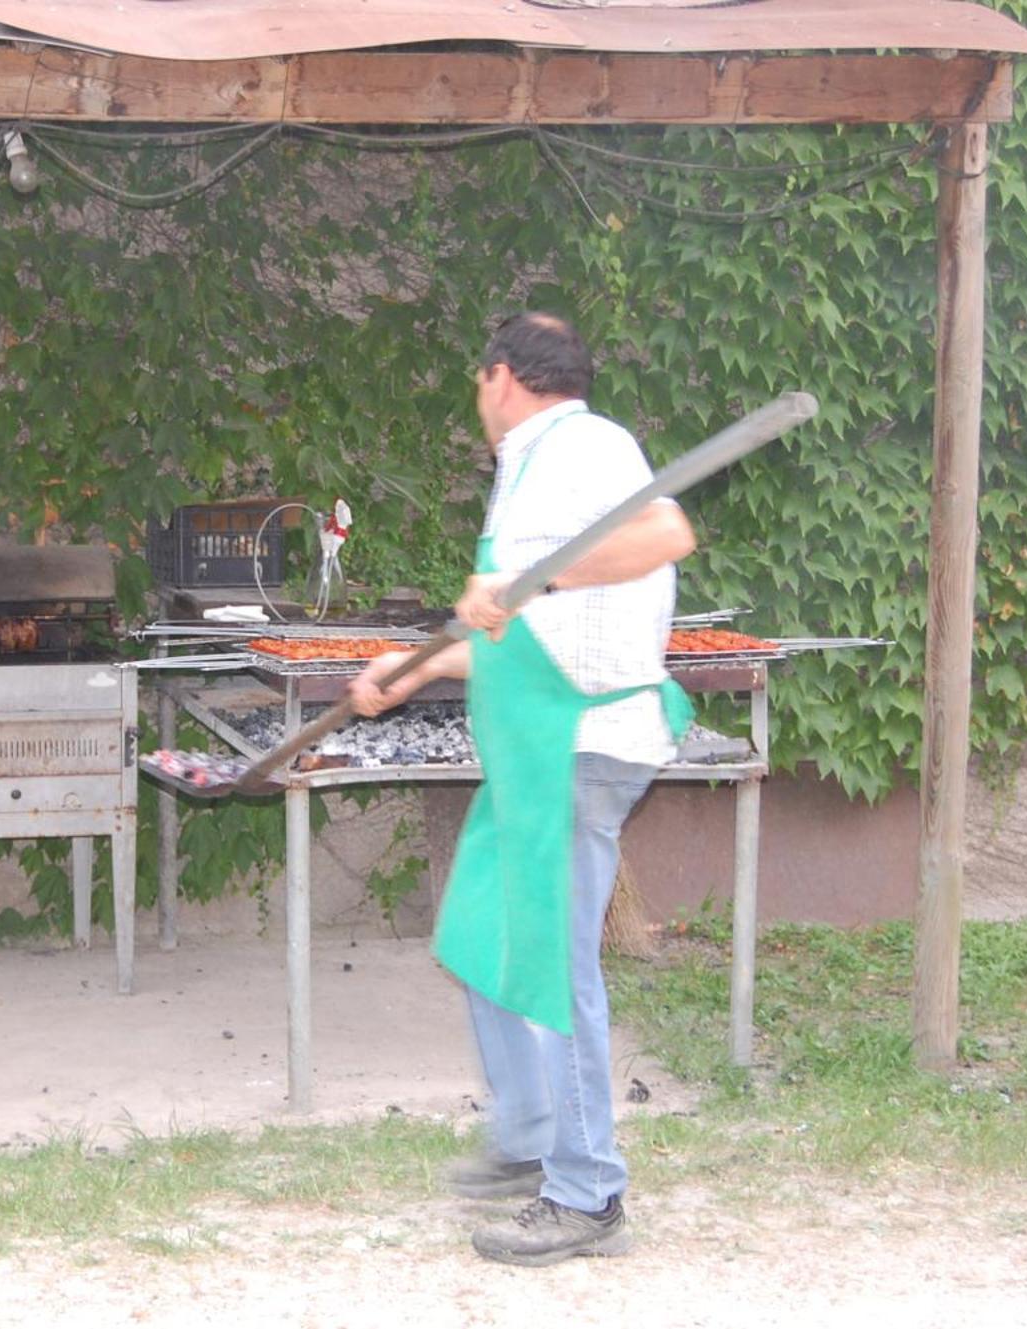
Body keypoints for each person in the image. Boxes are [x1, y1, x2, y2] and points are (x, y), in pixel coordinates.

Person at [350, 312, 694, 1266]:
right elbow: (526, 634)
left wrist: (531, 584)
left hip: (581, 742)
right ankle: (530, 1132)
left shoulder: (586, 444)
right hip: (540, 742)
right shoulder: (530, 466)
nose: (477, 398)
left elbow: (665, 530)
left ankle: (587, 1193)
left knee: (552, 966)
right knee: (482, 930)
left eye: (478, 381)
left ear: (502, 375)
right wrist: (412, 668)